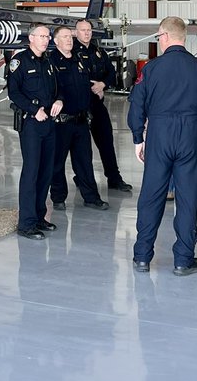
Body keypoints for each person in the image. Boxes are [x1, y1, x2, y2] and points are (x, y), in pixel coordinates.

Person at [128, 17, 197, 276]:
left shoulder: (152, 69)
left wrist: (138, 137)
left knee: (152, 195)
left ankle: (142, 256)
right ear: (184, 37)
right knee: (187, 197)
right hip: (191, 134)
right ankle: (183, 259)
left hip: (160, 133)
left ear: (164, 36)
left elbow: (137, 104)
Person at [8, 24, 64, 240]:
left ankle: (40, 216)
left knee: (46, 171)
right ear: (31, 38)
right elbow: (14, 93)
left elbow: (58, 89)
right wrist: (34, 110)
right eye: (41, 36)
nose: (46, 39)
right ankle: (26, 223)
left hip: (49, 122)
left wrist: (60, 100)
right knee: (31, 172)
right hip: (31, 123)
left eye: (48, 36)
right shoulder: (19, 62)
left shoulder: (48, 61)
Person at [48, 26, 109, 211]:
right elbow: (50, 89)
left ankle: (91, 197)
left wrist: (98, 92)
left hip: (81, 121)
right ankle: (58, 197)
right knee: (57, 162)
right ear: (56, 41)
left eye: (70, 36)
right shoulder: (50, 62)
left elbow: (85, 85)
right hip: (61, 122)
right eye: (64, 37)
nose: (69, 40)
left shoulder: (79, 59)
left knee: (84, 161)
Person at [73, 19, 131, 192]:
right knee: (82, 148)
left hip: (97, 105)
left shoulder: (99, 52)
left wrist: (102, 85)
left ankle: (114, 178)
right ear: (76, 33)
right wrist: (94, 87)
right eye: (82, 30)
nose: (86, 33)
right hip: (80, 106)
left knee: (106, 141)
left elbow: (111, 73)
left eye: (89, 30)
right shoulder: (71, 52)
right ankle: (82, 178)